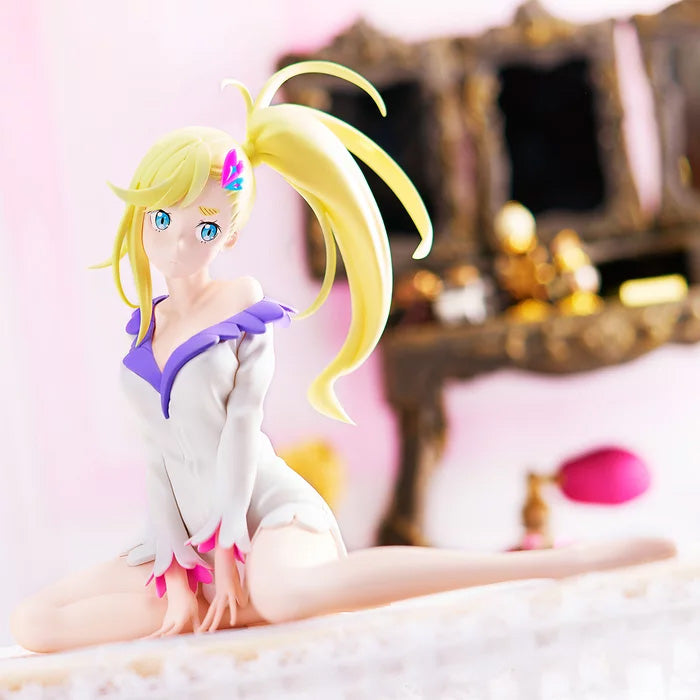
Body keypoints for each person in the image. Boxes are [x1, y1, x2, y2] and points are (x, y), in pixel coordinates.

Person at [9, 62, 675, 652]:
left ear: (230, 234)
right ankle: (227, 605)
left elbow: (241, 431)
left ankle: (547, 564)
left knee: (288, 596)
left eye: (204, 227)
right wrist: (175, 562)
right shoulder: (145, 331)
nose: (180, 243)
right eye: (163, 219)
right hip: (187, 532)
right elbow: (161, 459)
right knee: (35, 624)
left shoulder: (240, 304)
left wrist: (231, 539)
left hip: (263, 514)